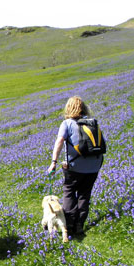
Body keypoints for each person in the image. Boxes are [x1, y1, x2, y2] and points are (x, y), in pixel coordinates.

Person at [47, 96, 103, 240]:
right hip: (94, 166)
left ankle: (69, 225)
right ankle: (80, 225)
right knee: (85, 194)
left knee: (69, 192)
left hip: (74, 166)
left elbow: (60, 141)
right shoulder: (93, 122)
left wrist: (54, 161)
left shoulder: (67, 123)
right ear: (83, 108)